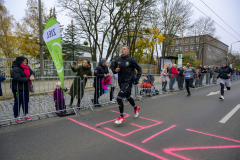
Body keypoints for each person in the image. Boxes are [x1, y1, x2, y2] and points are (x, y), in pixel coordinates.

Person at [112, 45, 142, 124]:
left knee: (119, 98)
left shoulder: (131, 60)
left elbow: (139, 69)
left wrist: (137, 78)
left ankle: (121, 116)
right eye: (122, 49)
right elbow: (113, 70)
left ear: (127, 51)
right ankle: (136, 108)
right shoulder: (117, 60)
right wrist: (115, 70)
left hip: (128, 82)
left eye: (124, 49)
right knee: (128, 97)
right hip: (121, 82)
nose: (122, 50)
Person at [11, 56, 35, 123]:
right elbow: (17, 78)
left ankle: (26, 113)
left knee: (26, 102)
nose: (26, 62)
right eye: (24, 61)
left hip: (26, 88)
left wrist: (32, 75)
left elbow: (32, 72)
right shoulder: (15, 68)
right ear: (20, 61)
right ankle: (17, 116)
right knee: (18, 102)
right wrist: (28, 79)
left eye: (26, 61)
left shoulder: (27, 67)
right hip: (18, 89)